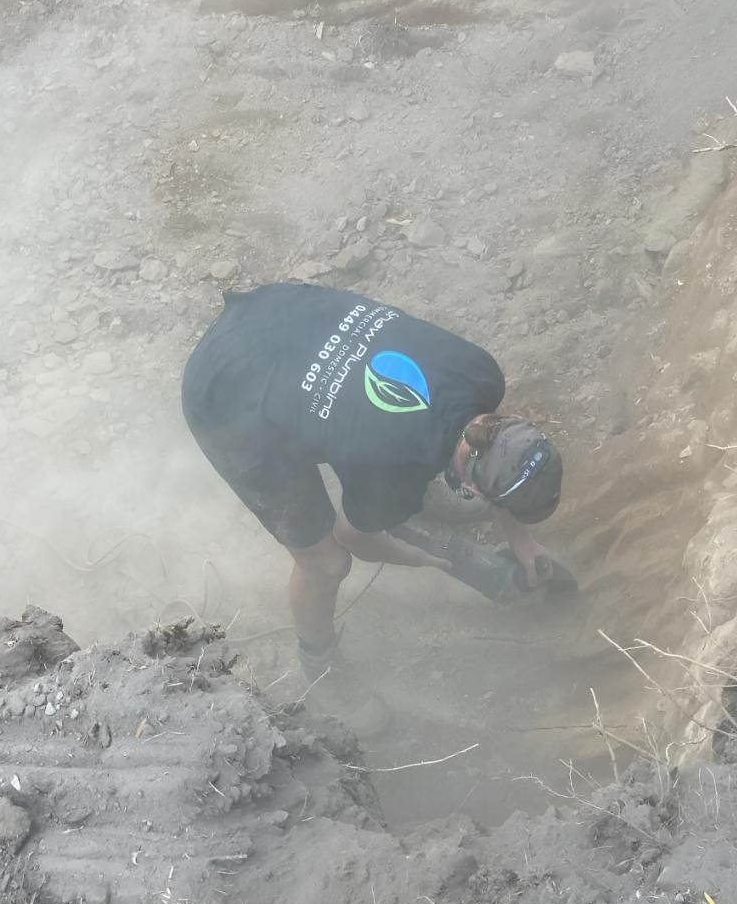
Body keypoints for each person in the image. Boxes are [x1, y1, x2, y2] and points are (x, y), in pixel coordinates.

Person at [181, 282, 563, 729]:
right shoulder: (389, 462)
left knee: (376, 465)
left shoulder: (481, 374)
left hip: (280, 311)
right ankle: (320, 664)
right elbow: (355, 536)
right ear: (475, 488)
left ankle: (412, 489)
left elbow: (497, 453)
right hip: (226, 391)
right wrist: (437, 558)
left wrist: (523, 540)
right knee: (326, 564)